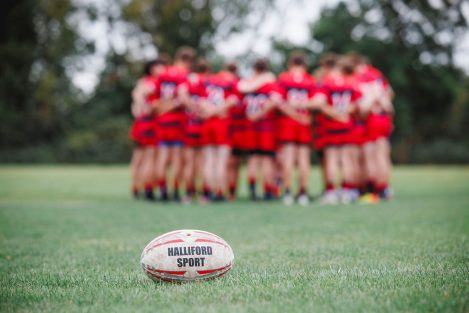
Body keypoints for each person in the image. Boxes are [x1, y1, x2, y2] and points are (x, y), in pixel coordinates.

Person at [316, 56, 363, 204]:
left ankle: (331, 192)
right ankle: (347, 192)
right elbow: (357, 104)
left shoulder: (326, 82)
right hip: (346, 126)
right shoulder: (350, 83)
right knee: (346, 160)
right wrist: (343, 114)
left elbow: (321, 104)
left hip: (332, 126)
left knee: (332, 160)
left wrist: (335, 115)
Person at [351, 53, 394, 202]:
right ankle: (385, 189)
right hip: (384, 117)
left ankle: (373, 189)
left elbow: (361, 105)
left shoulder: (357, 78)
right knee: (383, 155)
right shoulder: (377, 74)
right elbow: (389, 93)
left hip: (371, 119)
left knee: (370, 156)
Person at [154, 46, 195, 201]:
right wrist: (193, 108)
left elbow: (156, 100)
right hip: (177, 121)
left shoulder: (163, 73)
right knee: (177, 158)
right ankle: (176, 191)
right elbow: (183, 97)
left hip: (162, 121)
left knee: (162, 158)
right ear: (188, 61)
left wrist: (163, 108)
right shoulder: (184, 75)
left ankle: (163, 191)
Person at [237, 59, 282, 200]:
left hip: (250, 127)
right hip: (266, 126)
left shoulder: (246, 84)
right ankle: (267, 191)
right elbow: (276, 101)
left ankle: (252, 191)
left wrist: (253, 114)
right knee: (267, 159)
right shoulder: (269, 84)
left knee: (253, 159)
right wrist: (261, 113)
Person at [199, 63, 239, 202]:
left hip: (207, 123)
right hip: (222, 124)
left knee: (209, 160)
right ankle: (220, 192)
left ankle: (207, 192)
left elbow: (202, 102)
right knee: (221, 161)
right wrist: (217, 111)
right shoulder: (232, 82)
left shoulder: (208, 81)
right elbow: (231, 101)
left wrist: (210, 112)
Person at [129, 58, 167, 200]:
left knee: (141, 157)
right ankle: (147, 189)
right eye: (160, 66)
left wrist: (138, 110)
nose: (163, 69)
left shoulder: (145, 81)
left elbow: (136, 97)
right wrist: (142, 108)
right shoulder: (150, 81)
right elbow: (139, 96)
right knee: (148, 158)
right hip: (149, 122)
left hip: (143, 123)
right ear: (152, 68)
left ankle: (137, 187)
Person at [178, 59, 210, 204]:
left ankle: (188, 194)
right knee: (201, 163)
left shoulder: (187, 83)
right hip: (203, 126)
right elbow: (208, 103)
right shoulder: (207, 82)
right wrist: (200, 111)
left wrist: (191, 107)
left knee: (189, 163)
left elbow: (182, 95)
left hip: (189, 125)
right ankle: (203, 194)